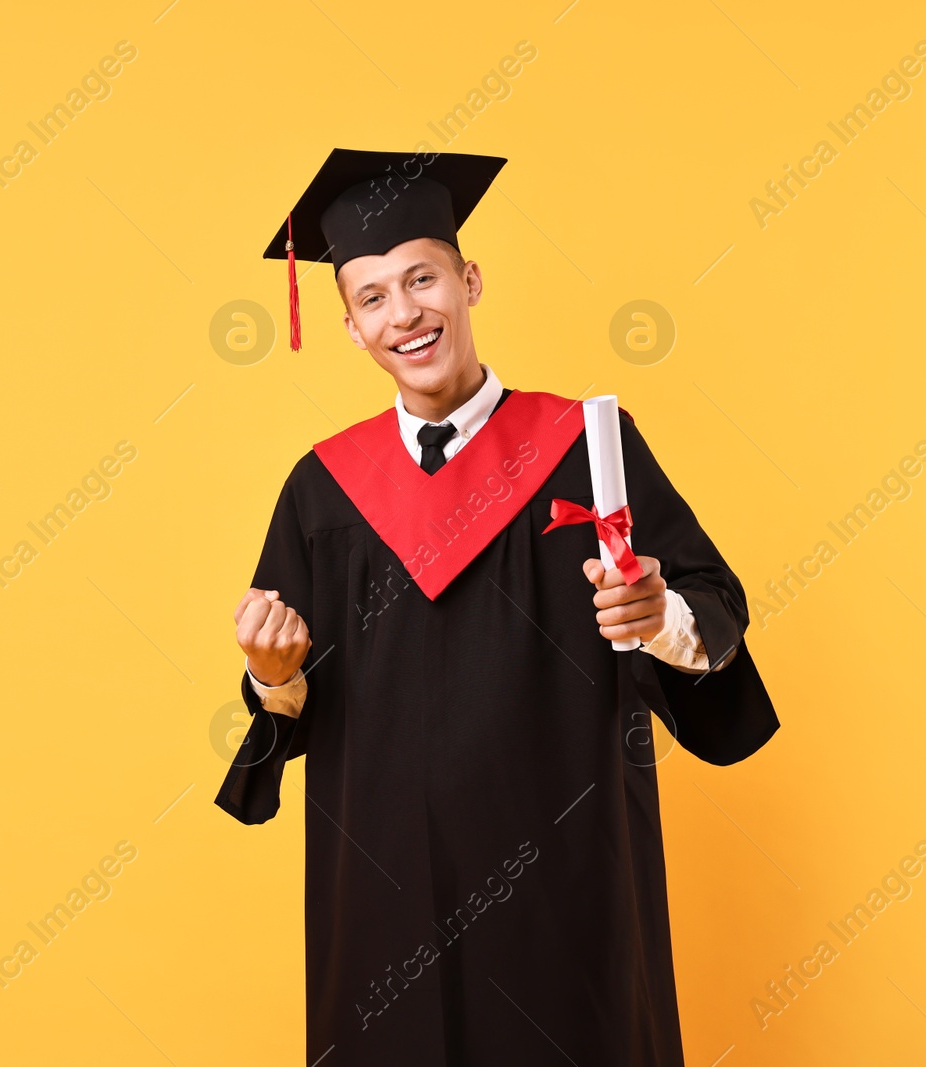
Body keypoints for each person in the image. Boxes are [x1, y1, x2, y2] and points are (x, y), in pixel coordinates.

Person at [215, 148, 780, 1066]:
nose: (404, 314)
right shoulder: (324, 491)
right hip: (384, 895)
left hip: (568, 878)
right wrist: (270, 675)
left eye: (423, 279)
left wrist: (656, 616)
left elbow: (714, 604)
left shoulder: (582, 447)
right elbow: (290, 691)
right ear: (352, 327)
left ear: (469, 281)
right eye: (372, 297)